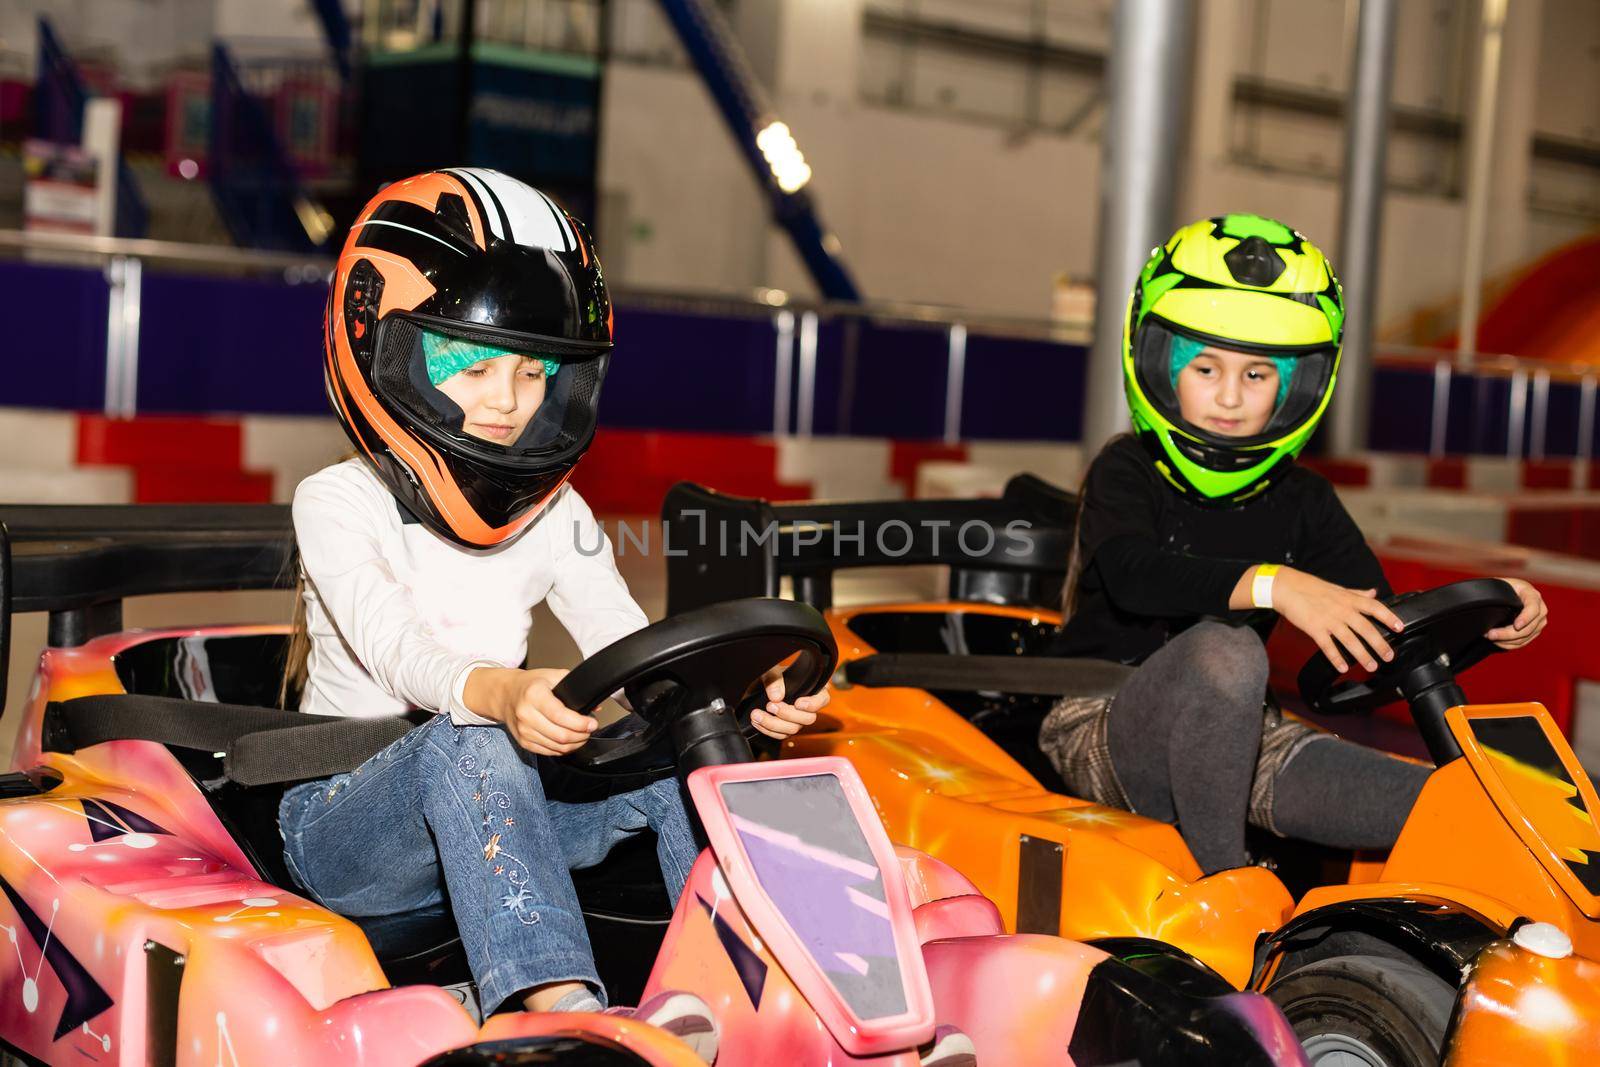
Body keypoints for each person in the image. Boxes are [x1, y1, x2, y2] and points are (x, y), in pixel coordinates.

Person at [276, 170, 826, 1049]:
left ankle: (748, 986)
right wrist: (496, 692)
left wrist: (737, 694)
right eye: (473, 364)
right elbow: (398, 650)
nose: (507, 397)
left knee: (671, 760)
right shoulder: (336, 501)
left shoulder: (557, 514)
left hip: (504, 807)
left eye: (532, 372)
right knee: (470, 741)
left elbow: (627, 639)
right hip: (345, 828)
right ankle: (564, 1014)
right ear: (387, 351)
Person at [1040, 213, 1547, 875]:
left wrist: (1490, 618)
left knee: (1472, 808)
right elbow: (1136, 575)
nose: (1228, 396)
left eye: (1256, 375)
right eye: (1206, 368)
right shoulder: (1127, 469)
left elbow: (1384, 621)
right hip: (1102, 724)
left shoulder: (1303, 498)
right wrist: (1277, 583)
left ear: (1297, 385)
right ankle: (1223, 889)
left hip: (1241, 738)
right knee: (1228, 649)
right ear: (1160, 367)